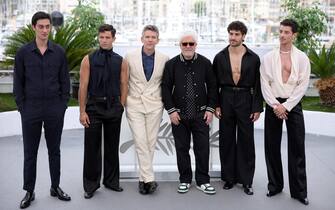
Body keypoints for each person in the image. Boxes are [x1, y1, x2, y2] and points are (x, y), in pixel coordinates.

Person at [13, 11, 71, 209]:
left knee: (55, 151)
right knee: (30, 152)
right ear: (34, 28)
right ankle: (29, 191)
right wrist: (23, 107)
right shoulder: (23, 53)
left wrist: (62, 106)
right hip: (31, 110)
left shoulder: (59, 52)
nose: (45, 30)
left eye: (48, 26)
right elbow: (17, 83)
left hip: (55, 108)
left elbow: (65, 81)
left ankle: (55, 187)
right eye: (41, 27)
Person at [260, 19, 310, 205]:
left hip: (293, 104)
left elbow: (303, 85)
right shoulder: (267, 58)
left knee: (297, 147)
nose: (282, 35)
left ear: (294, 35)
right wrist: (275, 106)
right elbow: (264, 84)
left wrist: (286, 106)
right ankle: (275, 186)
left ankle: (299, 192)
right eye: (280, 31)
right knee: (271, 146)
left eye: (286, 32)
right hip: (274, 104)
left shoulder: (302, 58)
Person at [162, 31, 217, 195]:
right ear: (180, 46)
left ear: (195, 45)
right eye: (184, 44)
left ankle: (203, 181)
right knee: (182, 148)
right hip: (179, 115)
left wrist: (210, 109)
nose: (187, 46)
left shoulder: (205, 63)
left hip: (201, 115)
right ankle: (185, 179)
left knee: (203, 149)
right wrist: (171, 111)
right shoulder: (171, 64)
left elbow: (213, 87)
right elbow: (165, 88)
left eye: (191, 44)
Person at [213, 21, 263, 195]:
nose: (232, 37)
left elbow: (258, 85)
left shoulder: (253, 58)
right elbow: (214, 85)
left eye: (236, 34)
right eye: (231, 34)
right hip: (226, 96)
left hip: (245, 98)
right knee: (226, 140)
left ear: (243, 36)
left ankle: (246, 180)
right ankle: (229, 178)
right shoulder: (219, 57)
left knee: (246, 141)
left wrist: (257, 107)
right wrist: (216, 105)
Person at [78, 24, 128, 199]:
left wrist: (121, 106)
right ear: (98, 38)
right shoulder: (88, 59)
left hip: (113, 107)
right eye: (101, 37)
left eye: (107, 37)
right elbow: (83, 86)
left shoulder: (121, 60)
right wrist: (82, 111)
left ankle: (111, 181)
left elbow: (124, 84)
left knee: (112, 147)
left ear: (114, 39)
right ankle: (91, 185)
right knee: (91, 148)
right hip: (93, 108)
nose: (104, 40)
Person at [124, 25, 169, 194]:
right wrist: (123, 102)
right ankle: (150, 179)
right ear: (141, 38)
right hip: (134, 103)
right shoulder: (130, 56)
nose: (150, 40)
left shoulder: (165, 58)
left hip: (155, 104)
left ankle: (143, 181)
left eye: (153, 37)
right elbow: (124, 80)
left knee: (150, 142)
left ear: (157, 40)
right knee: (141, 141)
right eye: (147, 37)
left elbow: (166, 83)